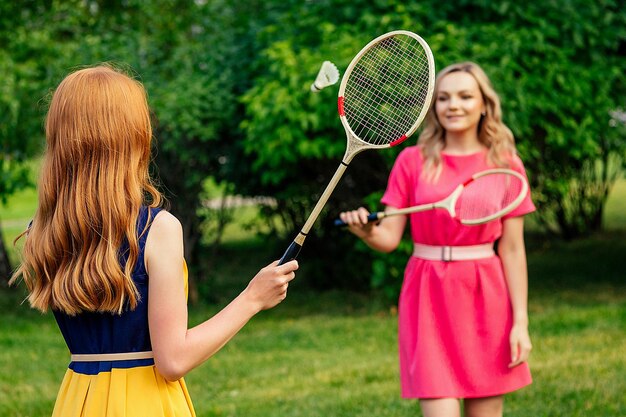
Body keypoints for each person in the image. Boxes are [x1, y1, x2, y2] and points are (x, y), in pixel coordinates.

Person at [9, 64, 298, 417]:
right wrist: (253, 297)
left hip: (76, 402)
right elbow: (173, 360)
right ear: (131, 138)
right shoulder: (157, 228)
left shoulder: (43, 230)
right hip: (146, 403)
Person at [339, 62, 534, 417]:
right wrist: (367, 231)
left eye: (464, 96)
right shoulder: (412, 161)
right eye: (443, 98)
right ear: (433, 107)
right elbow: (389, 239)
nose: (453, 105)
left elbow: (513, 248)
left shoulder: (506, 163)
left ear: (484, 104)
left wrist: (520, 321)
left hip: (485, 294)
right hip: (427, 293)